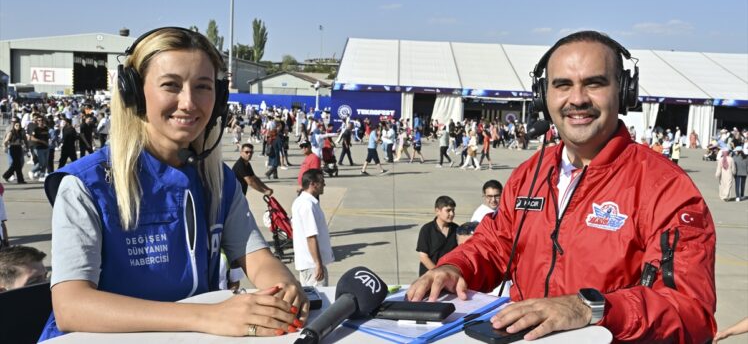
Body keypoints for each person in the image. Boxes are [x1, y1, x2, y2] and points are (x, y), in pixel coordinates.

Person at [406, 31, 716, 343]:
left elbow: (691, 312)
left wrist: (592, 308)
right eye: (563, 85)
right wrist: (454, 267)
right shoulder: (530, 174)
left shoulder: (666, 188)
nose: (578, 99)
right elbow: (495, 244)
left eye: (594, 83)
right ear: (543, 96)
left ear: (623, 92)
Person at [39, 27, 306, 340]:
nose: (189, 102)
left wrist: (283, 287)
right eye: (171, 85)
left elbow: (258, 259)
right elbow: (71, 306)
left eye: (203, 87)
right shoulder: (85, 186)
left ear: (219, 99)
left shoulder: (217, 180)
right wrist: (206, 317)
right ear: (134, 94)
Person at [291, 169, 334, 287]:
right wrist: (318, 264)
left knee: (311, 301)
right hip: (312, 265)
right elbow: (311, 237)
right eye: (322, 181)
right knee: (320, 301)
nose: (324, 184)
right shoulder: (308, 206)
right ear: (312, 184)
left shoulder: (300, 202)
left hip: (308, 264)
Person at [416, 196, 458, 276]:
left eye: (453, 210)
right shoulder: (426, 230)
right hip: (429, 275)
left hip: (450, 276)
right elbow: (423, 257)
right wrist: (438, 272)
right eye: (448, 211)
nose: (452, 214)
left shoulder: (456, 229)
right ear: (437, 211)